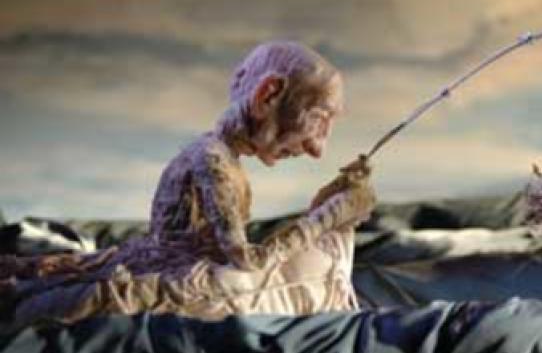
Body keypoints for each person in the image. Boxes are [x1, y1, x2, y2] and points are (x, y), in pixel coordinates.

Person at [2, 41, 376, 325]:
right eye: (318, 119)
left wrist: (329, 204)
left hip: (164, 267)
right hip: (177, 283)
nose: (317, 148)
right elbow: (246, 259)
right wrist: (327, 217)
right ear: (268, 95)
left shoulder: (215, 154)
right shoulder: (214, 160)